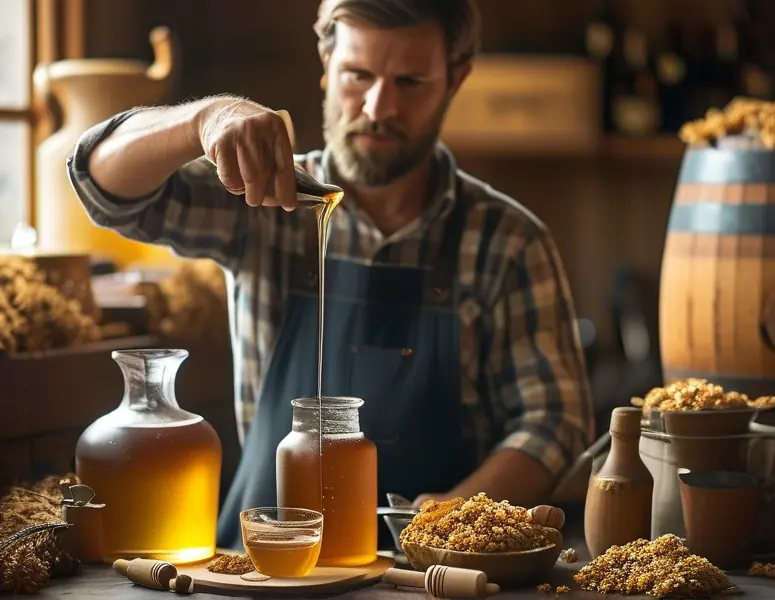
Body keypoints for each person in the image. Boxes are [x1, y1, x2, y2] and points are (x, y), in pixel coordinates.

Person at [68, 0, 594, 549]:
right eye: (357, 75)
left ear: (456, 77)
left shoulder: (508, 242)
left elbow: (554, 422)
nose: (377, 105)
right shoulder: (258, 200)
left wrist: (456, 515)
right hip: (265, 566)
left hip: (434, 572)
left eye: (410, 81)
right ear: (326, 61)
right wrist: (207, 119)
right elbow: (104, 189)